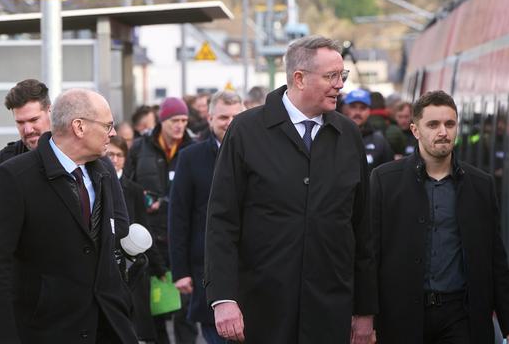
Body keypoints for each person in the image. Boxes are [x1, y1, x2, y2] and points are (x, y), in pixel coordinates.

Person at [205, 35, 377, 344]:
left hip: (329, 309)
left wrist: (364, 310)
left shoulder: (348, 134)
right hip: (261, 310)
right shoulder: (246, 131)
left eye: (342, 75)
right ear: (299, 78)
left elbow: (362, 229)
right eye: (331, 76)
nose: (340, 84)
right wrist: (223, 298)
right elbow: (221, 221)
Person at [0, 88, 136, 343]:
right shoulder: (14, 176)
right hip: (45, 332)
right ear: (79, 127)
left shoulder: (102, 171)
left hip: (107, 329)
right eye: (107, 125)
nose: (113, 133)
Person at [370, 90, 509, 344]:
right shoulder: (384, 180)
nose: (443, 132)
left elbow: (494, 260)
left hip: (461, 317)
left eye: (449, 124)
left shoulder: (481, 185)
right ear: (415, 130)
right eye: (433, 124)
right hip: (401, 316)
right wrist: (367, 319)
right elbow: (371, 254)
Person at [169, 90, 244, 344]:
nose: (230, 122)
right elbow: (179, 216)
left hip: (253, 270)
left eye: (236, 116)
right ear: (210, 118)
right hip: (206, 269)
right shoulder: (190, 158)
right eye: (223, 116)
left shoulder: (259, 154)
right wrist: (179, 271)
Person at [125, 96, 197, 344]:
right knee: (155, 310)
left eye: (184, 120)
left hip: (181, 239)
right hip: (149, 240)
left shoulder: (191, 147)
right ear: (162, 121)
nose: (180, 126)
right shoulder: (139, 147)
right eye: (175, 120)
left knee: (185, 311)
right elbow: (128, 186)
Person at [108, 136, 163, 343]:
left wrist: (159, 267)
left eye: (119, 155)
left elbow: (143, 226)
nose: (114, 159)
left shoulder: (134, 190)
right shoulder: (94, 182)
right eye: (110, 154)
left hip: (132, 264)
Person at [0, 79, 51, 178]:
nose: (28, 130)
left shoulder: (73, 152)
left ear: (49, 111)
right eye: (20, 122)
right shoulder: (4, 161)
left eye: (34, 119)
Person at [342, 88, 395, 172]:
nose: (357, 112)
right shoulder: (335, 136)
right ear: (344, 109)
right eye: (353, 107)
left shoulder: (379, 140)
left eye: (363, 108)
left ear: (369, 111)